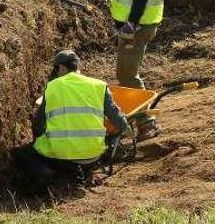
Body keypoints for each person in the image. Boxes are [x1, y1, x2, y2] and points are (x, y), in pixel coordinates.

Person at [13, 50, 130, 191]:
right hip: (93, 157)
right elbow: (118, 119)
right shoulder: (99, 85)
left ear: (61, 68)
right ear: (77, 67)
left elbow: (38, 125)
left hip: (61, 160)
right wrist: (123, 131)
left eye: (57, 70)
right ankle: (82, 172)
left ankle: (44, 177)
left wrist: (37, 141)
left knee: (23, 153)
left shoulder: (53, 87)